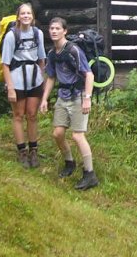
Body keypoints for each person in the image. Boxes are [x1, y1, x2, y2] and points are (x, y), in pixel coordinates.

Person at [40, 17, 99, 190]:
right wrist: (44, 99)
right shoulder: (52, 54)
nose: (54, 31)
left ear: (65, 31)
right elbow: (51, 77)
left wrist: (87, 98)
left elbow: (89, 74)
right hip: (62, 97)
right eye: (51, 28)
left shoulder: (74, 50)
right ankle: (69, 162)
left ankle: (90, 174)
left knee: (77, 135)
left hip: (78, 96)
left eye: (57, 28)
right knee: (57, 134)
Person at [1, 3, 46, 168]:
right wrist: (10, 87)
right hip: (17, 79)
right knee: (19, 115)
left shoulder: (38, 33)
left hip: (34, 79)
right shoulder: (12, 36)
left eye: (29, 13)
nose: (26, 16)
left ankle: (33, 150)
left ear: (32, 16)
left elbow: (41, 59)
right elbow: (5, 64)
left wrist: (42, 79)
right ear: (18, 16)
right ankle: (22, 151)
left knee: (32, 114)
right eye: (23, 13)